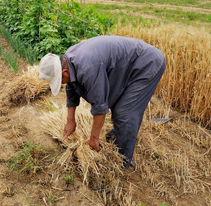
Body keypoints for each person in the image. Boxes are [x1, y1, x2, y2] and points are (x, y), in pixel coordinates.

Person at [38, 35, 166, 169]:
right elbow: (72, 87)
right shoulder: (68, 60)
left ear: (64, 71)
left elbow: (99, 106)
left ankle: (120, 162)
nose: (62, 84)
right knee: (120, 109)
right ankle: (117, 137)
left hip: (146, 64)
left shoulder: (88, 67)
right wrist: (70, 120)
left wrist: (94, 137)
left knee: (124, 113)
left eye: (60, 80)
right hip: (127, 66)